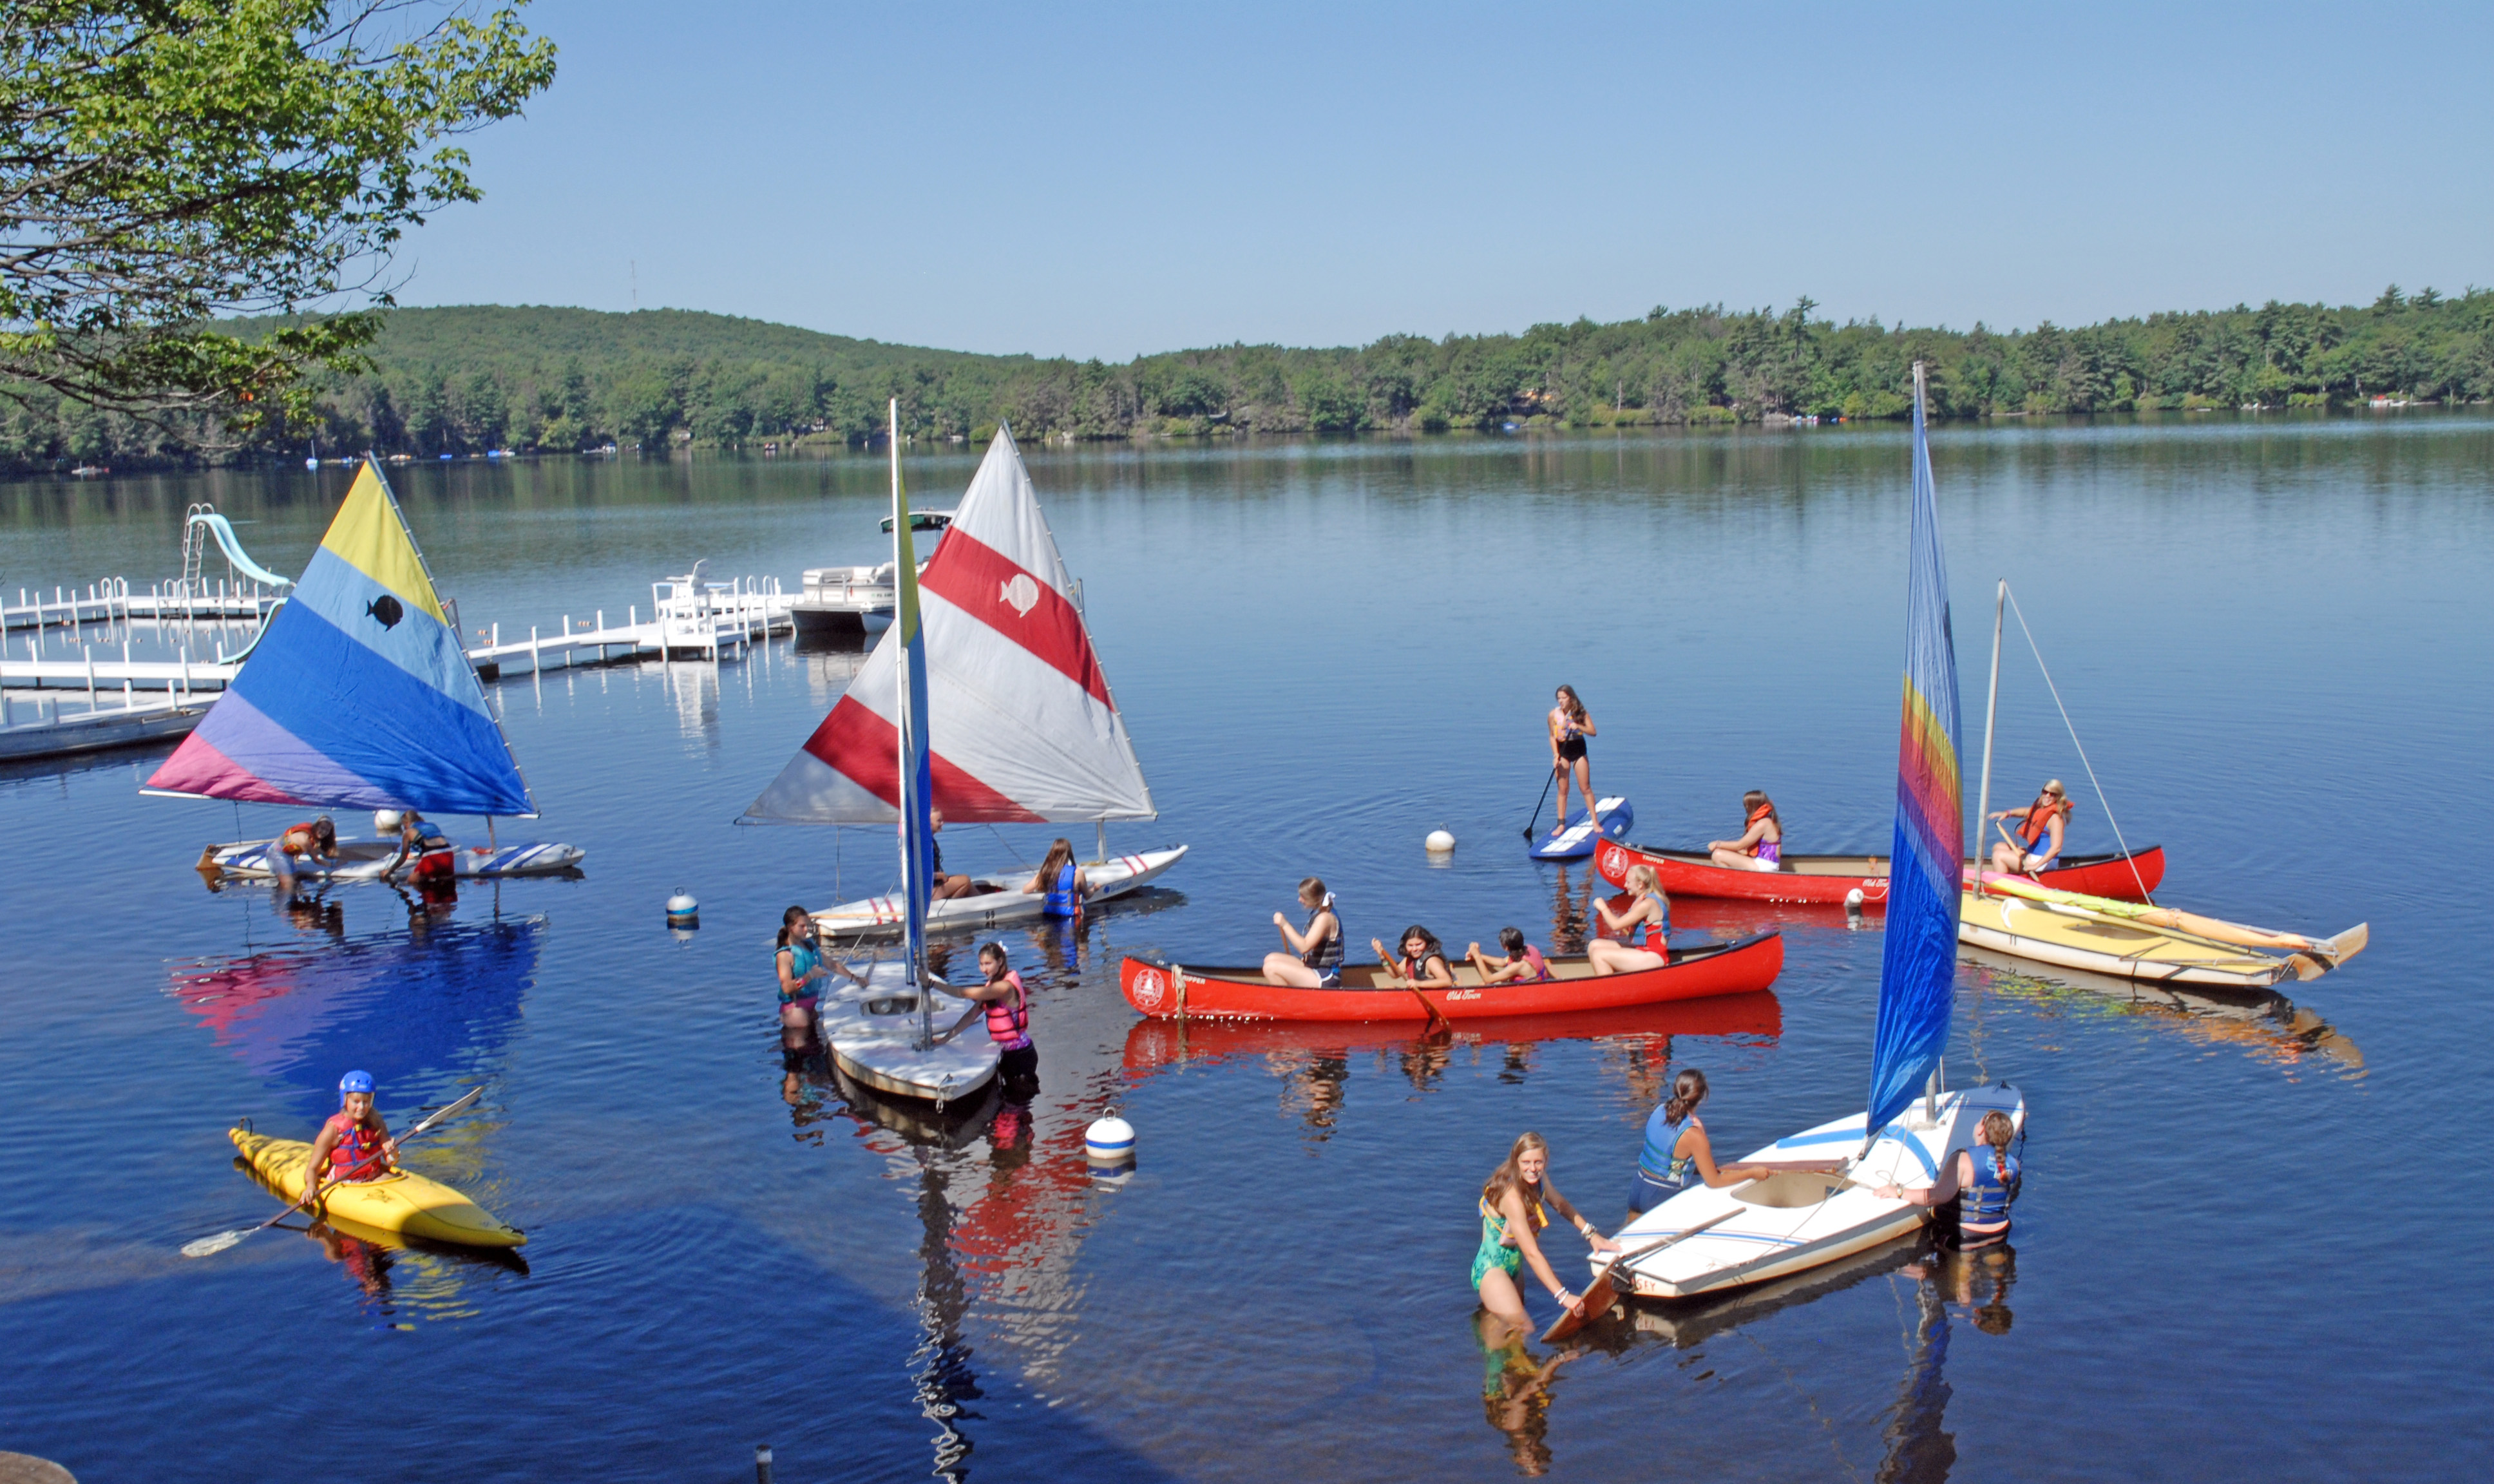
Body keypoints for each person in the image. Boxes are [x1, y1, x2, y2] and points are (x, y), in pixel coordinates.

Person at [1472, 1131, 1619, 1334]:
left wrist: (1591, 1235)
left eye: (1538, 1162)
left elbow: (1560, 1205)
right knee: (1524, 1329)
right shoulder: (1512, 1197)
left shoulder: (1539, 1180)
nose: (1533, 1169)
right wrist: (1563, 1296)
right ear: (1516, 1161)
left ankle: (1493, 1349)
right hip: (1492, 1272)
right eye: (1526, 1162)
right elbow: (1532, 1254)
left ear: (1546, 1161)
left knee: (1505, 1328)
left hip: (1513, 1269)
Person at [1626, 1069, 1777, 1216]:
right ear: (1703, 1098)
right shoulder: (1694, 1135)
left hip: (1638, 1186)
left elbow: (1675, 1159)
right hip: (1660, 1195)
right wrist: (1752, 1173)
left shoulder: (1659, 1111)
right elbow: (1714, 1181)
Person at [1877, 1109, 2021, 1251]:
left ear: (1981, 1130)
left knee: (1927, 1270)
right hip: (2000, 1233)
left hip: (1967, 1235)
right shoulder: (2014, 1164)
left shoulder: (1963, 1160)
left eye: (1979, 1121)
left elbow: (1935, 1197)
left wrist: (1899, 1192)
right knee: (1994, 1266)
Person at [947, 942, 1040, 1092]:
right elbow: (971, 1015)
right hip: (1008, 1055)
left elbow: (962, 993)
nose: (984, 969)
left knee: (1018, 1105)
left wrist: (932, 984)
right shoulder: (991, 988)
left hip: (1021, 1056)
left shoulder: (1005, 988)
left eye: (988, 964)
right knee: (1009, 1101)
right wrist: (946, 1038)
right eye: (981, 964)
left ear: (1000, 961)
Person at [303, 1070, 397, 1209]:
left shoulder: (377, 1121)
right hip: (345, 1183)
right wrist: (310, 1186)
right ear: (345, 1099)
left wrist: (393, 1152)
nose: (362, 1107)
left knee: (392, 1179)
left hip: (373, 1178)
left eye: (366, 1102)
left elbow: (391, 1161)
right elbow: (312, 1169)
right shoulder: (333, 1130)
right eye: (356, 1102)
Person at [775, 905, 858, 1026]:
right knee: (804, 1044)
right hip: (795, 1010)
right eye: (802, 926)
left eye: (807, 926)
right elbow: (786, 988)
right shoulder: (784, 955)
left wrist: (855, 978)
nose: (806, 930)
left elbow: (832, 964)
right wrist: (811, 975)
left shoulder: (809, 946)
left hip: (810, 1007)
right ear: (790, 928)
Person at [1586, 865, 1670, 976]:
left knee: (1599, 955)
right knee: (1594, 945)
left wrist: (1603, 908)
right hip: (1642, 949)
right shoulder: (1641, 900)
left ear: (1640, 885)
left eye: (1628, 882)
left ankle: (1609, 990)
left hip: (1654, 955)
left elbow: (1615, 925)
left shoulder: (1648, 904)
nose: (1625, 885)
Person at [1262, 877, 1344, 987]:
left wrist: (1285, 924)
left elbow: (1304, 947)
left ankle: (1288, 1001)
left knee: (1270, 968)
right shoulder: (1320, 912)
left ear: (1313, 898)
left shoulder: (1325, 918)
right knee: (1270, 958)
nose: (1300, 900)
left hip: (1326, 976)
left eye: (1303, 897)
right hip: (1315, 966)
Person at [1986, 781, 2071, 875]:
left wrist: (2036, 865)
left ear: (2058, 797)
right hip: (2033, 855)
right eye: (2045, 792)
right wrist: (2008, 813)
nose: (2047, 796)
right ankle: (2013, 876)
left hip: (2043, 862)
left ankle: (2002, 886)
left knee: (1998, 856)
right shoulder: (2041, 809)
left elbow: (2057, 848)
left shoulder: (2056, 819)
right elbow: (2026, 812)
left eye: (2052, 794)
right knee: (1999, 846)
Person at [1547, 685, 1597, 837]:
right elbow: (1552, 736)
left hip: (1579, 751)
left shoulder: (1580, 713)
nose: (1561, 701)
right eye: (1559, 698)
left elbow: (1593, 732)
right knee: (1563, 789)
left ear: (1571, 698)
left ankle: (1595, 821)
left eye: (1564, 698)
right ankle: (1561, 825)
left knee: (1585, 787)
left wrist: (1579, 726)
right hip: (1563, 752)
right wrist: (1556, 755)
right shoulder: (1553, 715)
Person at [1708, 791, 1783, 872]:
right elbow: (1745, 849)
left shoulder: (1764, 823)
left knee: (1717, 855)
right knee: (1726, 851)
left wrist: (1717, 844)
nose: (1746, 808)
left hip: (1765, 866)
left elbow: (1739, 846)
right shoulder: (1768, 820)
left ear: (1752, 806)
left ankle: (1732, 881)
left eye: (1746, 806)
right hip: (1763, 863)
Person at [1372, 924, 1457, 991]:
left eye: (1419, 944)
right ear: (1405, 946)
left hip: (1435, 996)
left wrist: (1418, 984)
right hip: (1417, 995)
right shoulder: (1409, 959)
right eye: (1410, 945)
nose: (1415, 949)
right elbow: (1395, 974)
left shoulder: (1431, 961)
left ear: (1426, 943)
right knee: (1388, 988)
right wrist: (1382, 957)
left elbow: (1447, 981)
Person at [1024, 838, 1089, 919]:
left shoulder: (1045, 873)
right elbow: (1087, 896)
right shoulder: (1078, 873)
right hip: (1071, 919)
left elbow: (1026, 890)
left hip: (1049, 918)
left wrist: (1042, 887)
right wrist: (1095, 888)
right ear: (1069, 854)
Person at [386, 809, 455, 884]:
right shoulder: (433, 825)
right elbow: (433, 846)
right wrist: (417, 857)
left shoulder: (408, 832)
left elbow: (403, 857)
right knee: (444, 881)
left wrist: (390, 870)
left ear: (407, 823)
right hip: (448, 853)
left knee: (411, 881)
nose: (404, 828)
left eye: (404, 826)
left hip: (432, 858)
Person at [1467, 927, 1554, 985]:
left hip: (1530, 992)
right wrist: (1480, 956)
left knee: (1483, 984)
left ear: (1506, 947)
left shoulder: (1518, 966)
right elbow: (1502, 962)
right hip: (1539, 983)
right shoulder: (1530, 948)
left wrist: (1477, 956)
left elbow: (1488, 979)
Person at [927, 810, 977, 900]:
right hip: (928, 892)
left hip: (935, 885)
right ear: (929, 823)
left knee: (969, 886)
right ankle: (950, 904)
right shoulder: (925, 844)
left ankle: (983, 904)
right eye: (939, 821)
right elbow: (923, 873)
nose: (943, 823)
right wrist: (941, 876)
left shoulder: (930, 840)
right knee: (965, 880)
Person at [274, 815, 340, 876]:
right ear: (316, 826)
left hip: (288, 855)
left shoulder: (312, 835)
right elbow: (316, 861)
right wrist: (334, 865)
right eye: (322, 828)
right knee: (294, 879)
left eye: (327, 830)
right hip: (276, 855)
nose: (324, 832)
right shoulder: (304, 839)